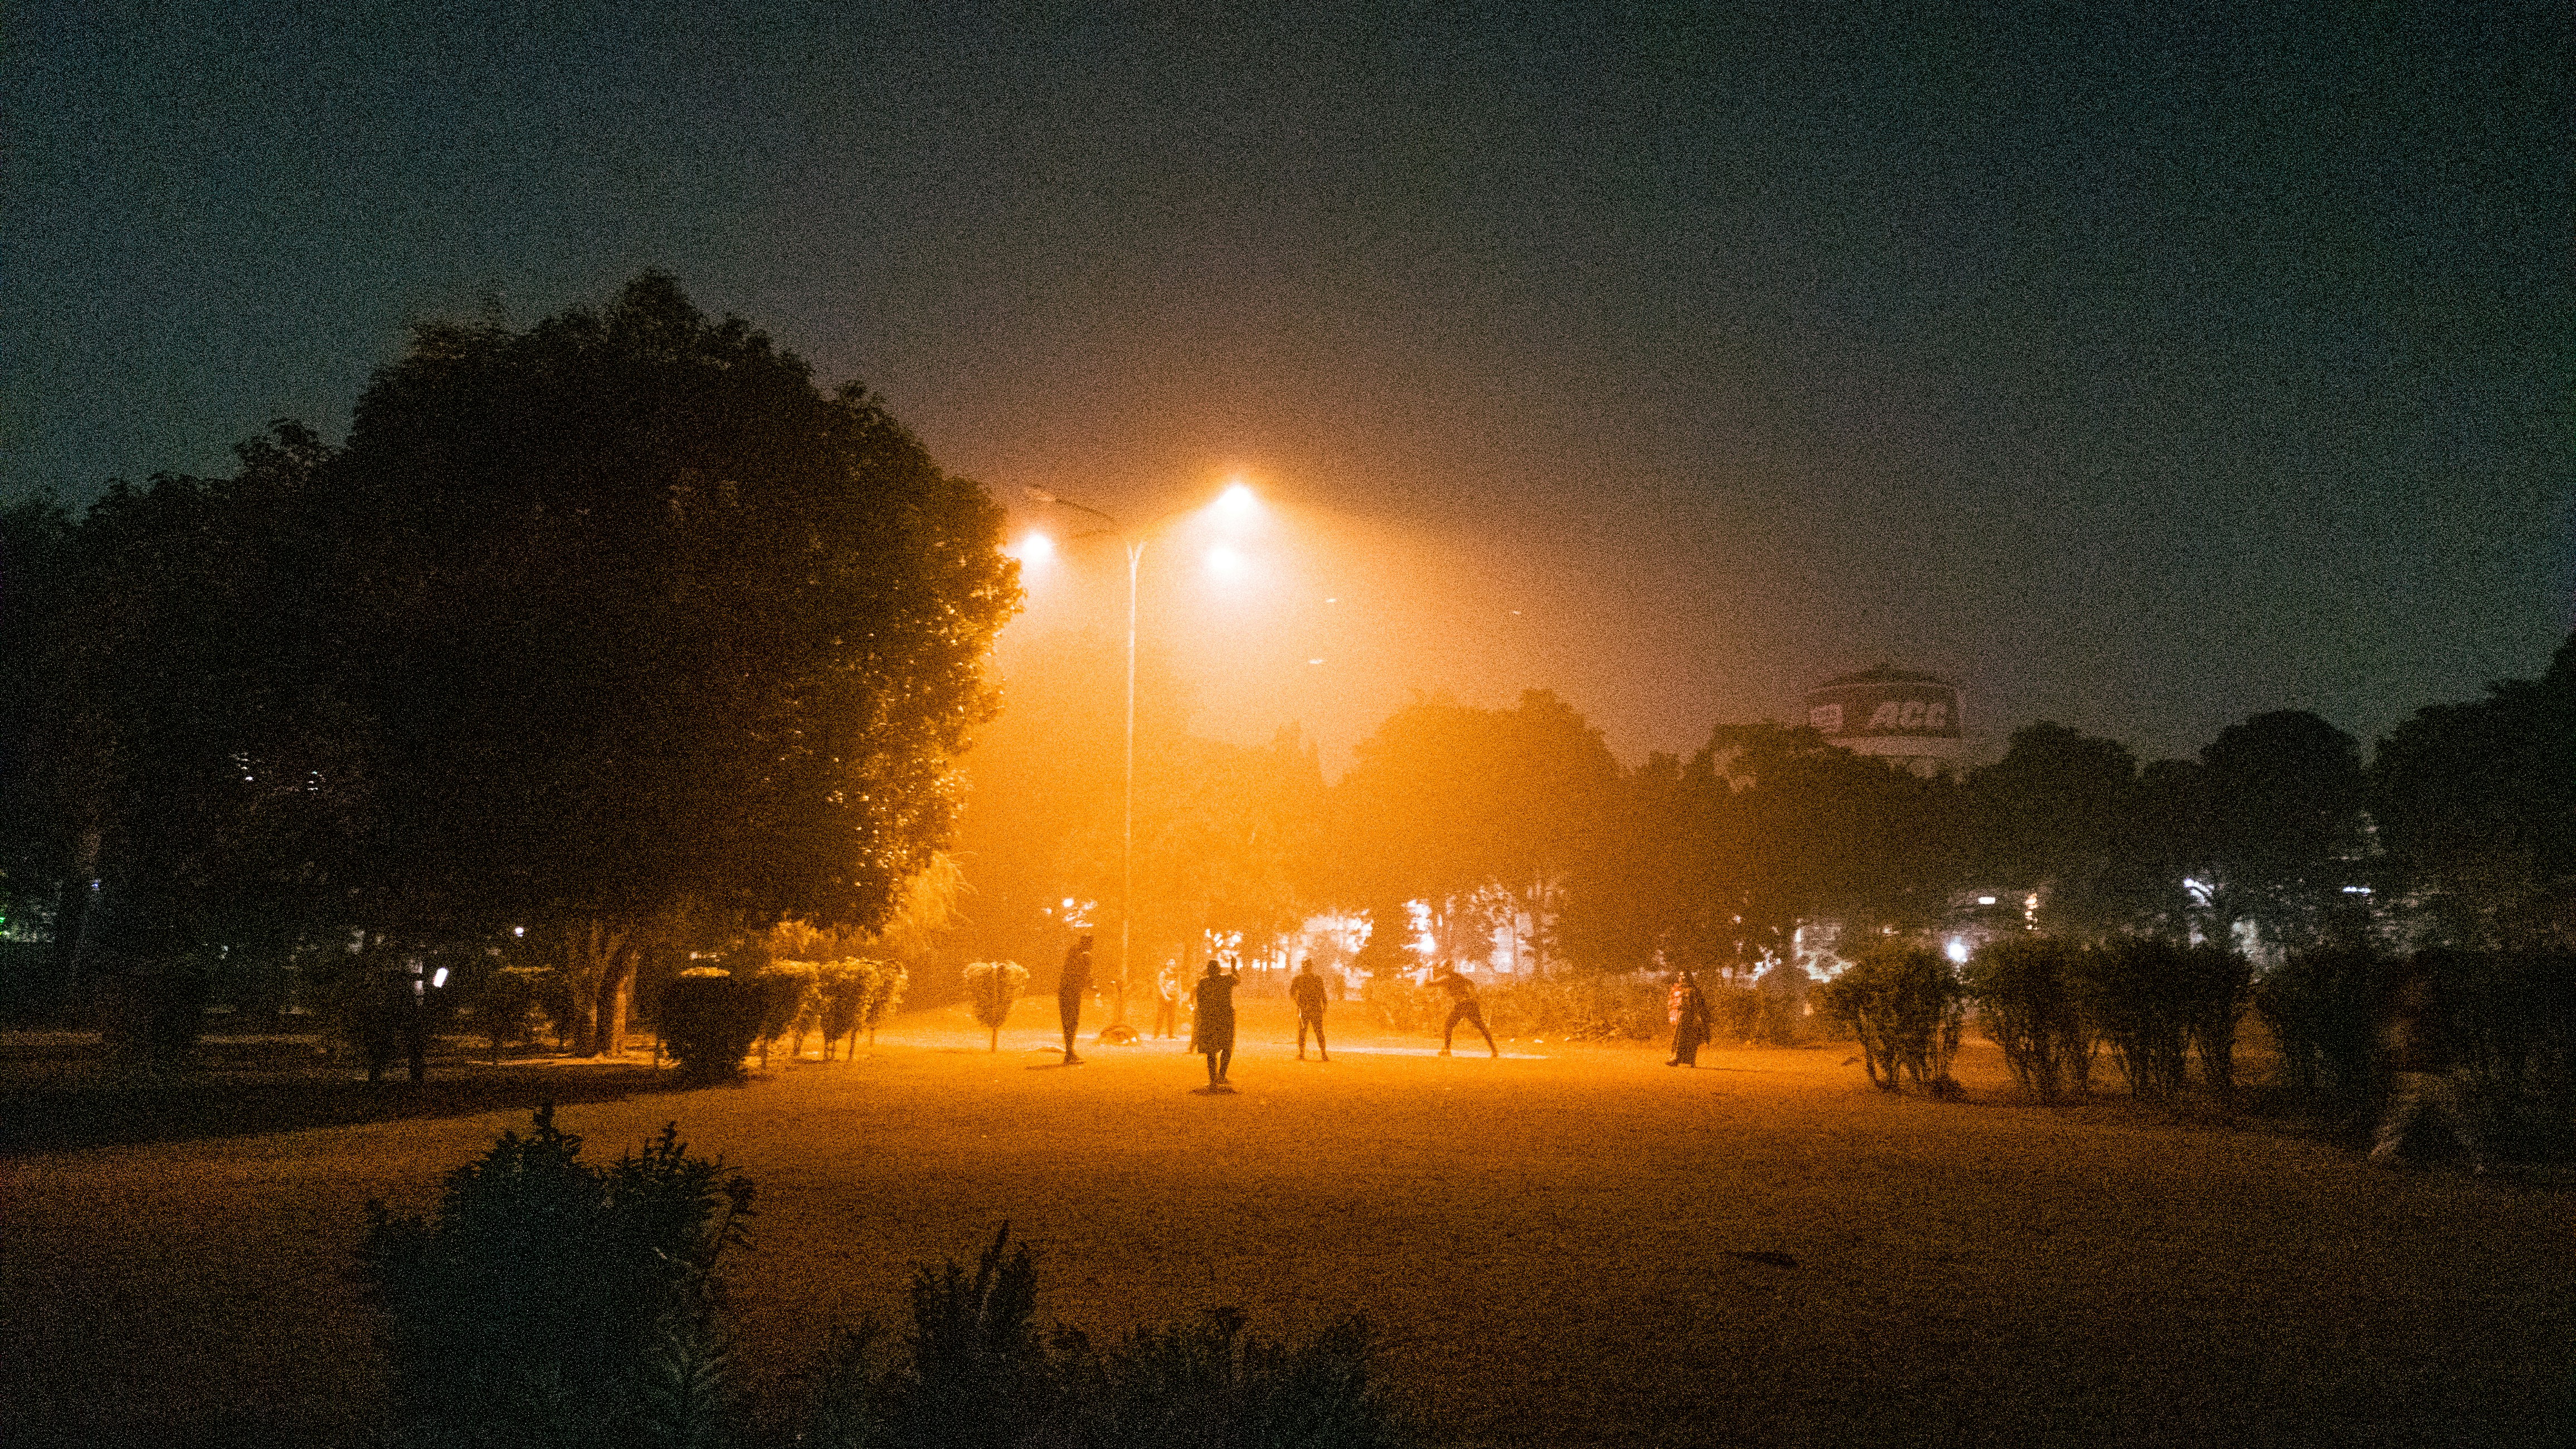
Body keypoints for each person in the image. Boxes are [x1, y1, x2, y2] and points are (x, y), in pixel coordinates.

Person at [2370, 963, 2488, 1173]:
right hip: (2417, 1076)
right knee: (2452, 1115)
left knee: (2414, 1116)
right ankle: (2479, 1159)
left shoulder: (2414, 1017)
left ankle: (2383, 1151)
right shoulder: (2410, 1017)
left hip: (2418, 1075)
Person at [1431, 962, 1498, 1058]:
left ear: (1446, 968)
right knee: (1482, 1027)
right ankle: (1494, 1050)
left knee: (1448, 1025)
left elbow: (1432, 984)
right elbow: (1471, 983)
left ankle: (1447, 1049)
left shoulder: (1447, 978)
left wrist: (1425, 980)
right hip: (1470, 1004)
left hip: (1462, 1005)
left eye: (1444, 968)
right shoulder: (1459, 976)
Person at [1192, 958, 1239, 1088]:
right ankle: (1222, 1075)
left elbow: (1200, 1001)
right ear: (1219, 970)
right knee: (1227, 1046)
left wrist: (1204, 1015)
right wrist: (1234, 967)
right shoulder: (1226, 980)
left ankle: (1213, 1079)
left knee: (1211, 1050)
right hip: (1225, 1017)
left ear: (1208, 971)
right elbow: (1237, 979)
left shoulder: (1203, 982)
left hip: (1210, 1018)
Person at [1057, 933, 1094, 1065]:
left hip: (1063, 991)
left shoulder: (1073, 953)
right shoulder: (1086, 956)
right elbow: (1085, 976)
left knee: (1066, 1022)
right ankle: (1069, 1053)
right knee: (1073, 1022)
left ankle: (1069, 1052)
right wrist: (1094, 988)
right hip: (1073, 992)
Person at [1666, 969, 1711, 1067]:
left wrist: (1699, 1017)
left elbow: (1698, 1005)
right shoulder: (1680, 989)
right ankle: (1676, 1060)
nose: (1681, 978)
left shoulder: (1693, 990)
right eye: (1680, 976)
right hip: (1682, 1018)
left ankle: (1690, 1061)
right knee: (1679, 1039)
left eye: (1683, 976)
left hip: (1691, 1018)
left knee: (1690, 1040)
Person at [1291, 957, 1330, 1062]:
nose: (1305, 968)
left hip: (1310, 1008)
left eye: (1306, 966)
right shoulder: (1308, 979)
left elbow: (1322, 993)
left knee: (1312, 1032)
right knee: (1312, 1032)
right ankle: (1319, 1053)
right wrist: (1299, 1003)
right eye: (1304, 966)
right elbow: (1293, 993)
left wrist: (1298, 1003)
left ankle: (1316, 1053)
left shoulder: (1307, 979)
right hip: (1311, 1008)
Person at [1153, 959, 1180, 1040]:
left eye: (1175, 962)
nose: (1174, 963)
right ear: (1167, 964)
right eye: (1172, 962)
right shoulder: (1163, 973)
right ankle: (1156, 1035)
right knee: (1161, 1016)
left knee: (1172, 1017)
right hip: (1164, 998)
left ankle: (1171, 1035)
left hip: (1173, 996)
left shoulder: (1176, 974)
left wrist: (1179, 998)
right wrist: (1165, 997)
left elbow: (1179, 986)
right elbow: (1160, 985)